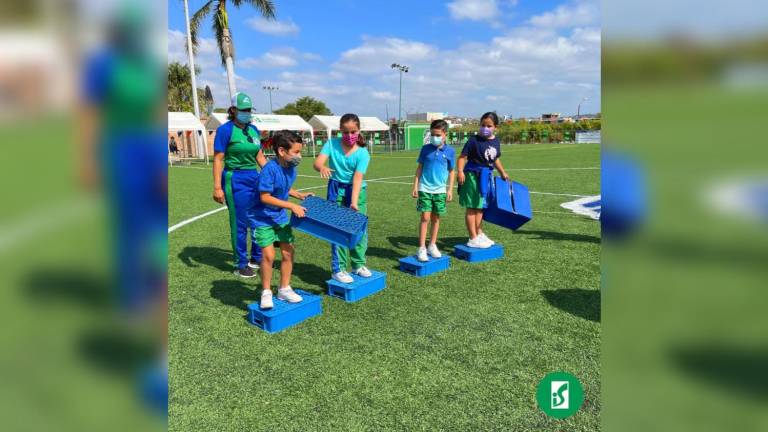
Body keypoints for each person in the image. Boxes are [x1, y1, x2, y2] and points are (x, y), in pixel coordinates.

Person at [253, 130, 312, 309]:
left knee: (288, 252)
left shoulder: (291, 168)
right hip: (262, 219)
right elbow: (265, 197)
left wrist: (299, 195)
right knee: (268, 255)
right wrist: (292, 206)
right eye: (296, 152)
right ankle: (266, 292)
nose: (299, 156)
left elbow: (285, 188)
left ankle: (284, 289)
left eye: (300, 152)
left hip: (280, 217)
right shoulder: (269, 170)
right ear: (281, 151)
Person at [212, 92, 266, 277]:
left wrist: (270, 174)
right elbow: (218, 159)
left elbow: (259, 156)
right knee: (240, 222)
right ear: (233, 110)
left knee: (259, 217)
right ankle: (240, 263)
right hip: (234, 178)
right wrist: (217, 187)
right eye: (243, 110)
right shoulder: (225, 130)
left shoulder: (254, 130)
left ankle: (256, 257)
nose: (247, 113)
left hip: (254, 177)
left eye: (249, 110)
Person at [313, 113, 372, 283]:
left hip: (356, 191)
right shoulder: (331, 144)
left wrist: (353, 202)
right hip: (335, 188)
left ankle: (358, 264)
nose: (349, 136)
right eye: (345, 132)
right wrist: (321, 167)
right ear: (340, 131)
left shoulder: (363, 153)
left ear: (359, 131)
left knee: (358, 229)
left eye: (353, 132)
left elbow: (357, 179)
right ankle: (338, 269)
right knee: (337, 229)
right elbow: (317, 163)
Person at [456, 112, 510, 248]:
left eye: (489, 126)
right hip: (472, 176)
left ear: (495, 127)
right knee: (471, 207)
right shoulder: (473, 140)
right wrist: (461, 171)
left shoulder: (496, 141)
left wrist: (502, 171)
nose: (485, 128)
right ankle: (472, 237)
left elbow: (495, 158)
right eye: (483, 125)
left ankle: (479, 234)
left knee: (480, 207)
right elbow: (462, 157)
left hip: (486, 178)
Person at [411, 119, 456, 261]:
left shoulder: (450, 151)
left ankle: (432, 245)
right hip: (425, 188)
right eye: (432, 134)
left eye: (437, 134)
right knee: (425, 217)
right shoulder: (425, 149)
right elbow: (419, 168)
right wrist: (415, 186)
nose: (434, 137)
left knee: (436, 218)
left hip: (440, 190)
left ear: (445, 135)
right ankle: (422, 248)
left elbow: (452, 171)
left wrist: (450, 190)